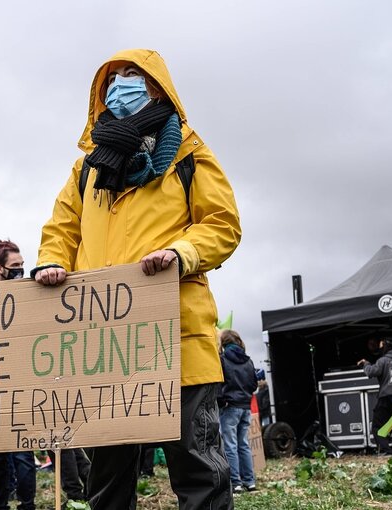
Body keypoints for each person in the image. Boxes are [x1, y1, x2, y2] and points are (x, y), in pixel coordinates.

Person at [32, 49, 241, 509]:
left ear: (158, 86)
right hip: (105, 350)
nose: (119, 84)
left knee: (198, 469)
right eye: (113, 78)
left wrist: (181, 253)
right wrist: (50, 261)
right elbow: (62, 228)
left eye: (132, 75)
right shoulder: (87, 165)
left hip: (178, 340)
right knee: (108, 480)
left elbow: (223, 224)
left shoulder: (188, 150)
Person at [0, 240, 34, 510]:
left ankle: (27, 504)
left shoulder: (30, 294)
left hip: (24, 383)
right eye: (15, 267)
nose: (21, 271)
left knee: (24, 451)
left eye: (23, 266)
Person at [217, 330, 258, 494]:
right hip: (245, 407)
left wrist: (222, 401)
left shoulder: (223, 359)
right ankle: (250, 481)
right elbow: (254, 384)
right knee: (244, 445)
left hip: (230, 407)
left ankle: (236, 483)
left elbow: (219, 383)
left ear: (224, 342)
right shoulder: (248, 361)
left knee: (230, 446)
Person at [359, 338, 392, 455]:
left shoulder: (383, 360)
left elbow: (371, 372)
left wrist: (365, 363)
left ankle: (386, 451)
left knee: (377, 426)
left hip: (386, 397)